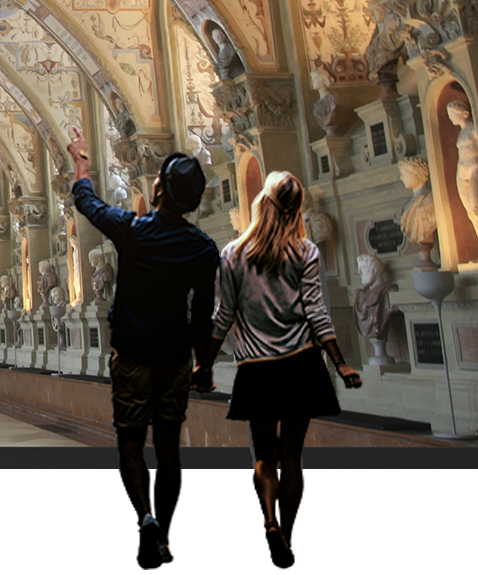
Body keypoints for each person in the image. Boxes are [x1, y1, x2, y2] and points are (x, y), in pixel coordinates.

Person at [66, 127, 218, 569]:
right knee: (169, 448)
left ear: (157, 191)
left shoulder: (133, 231)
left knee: (130, 441)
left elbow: (87, 203)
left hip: (131, 356)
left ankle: (145, 516)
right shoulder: (203, 249)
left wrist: (82, 164)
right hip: (174, 359)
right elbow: (202, 317)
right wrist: (203, 365)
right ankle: (164, 534)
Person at [196, 171, 363, 569]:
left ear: (262, 203)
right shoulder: (305, 252)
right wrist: (340, 362)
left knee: (264, 456)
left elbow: (223, 316)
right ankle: (286, 536)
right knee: (294, 456)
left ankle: (269, 523)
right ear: (296, 210)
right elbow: (316, 312)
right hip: (301, 364)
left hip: (256, 368)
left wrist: (204, 363)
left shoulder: (233, 253)